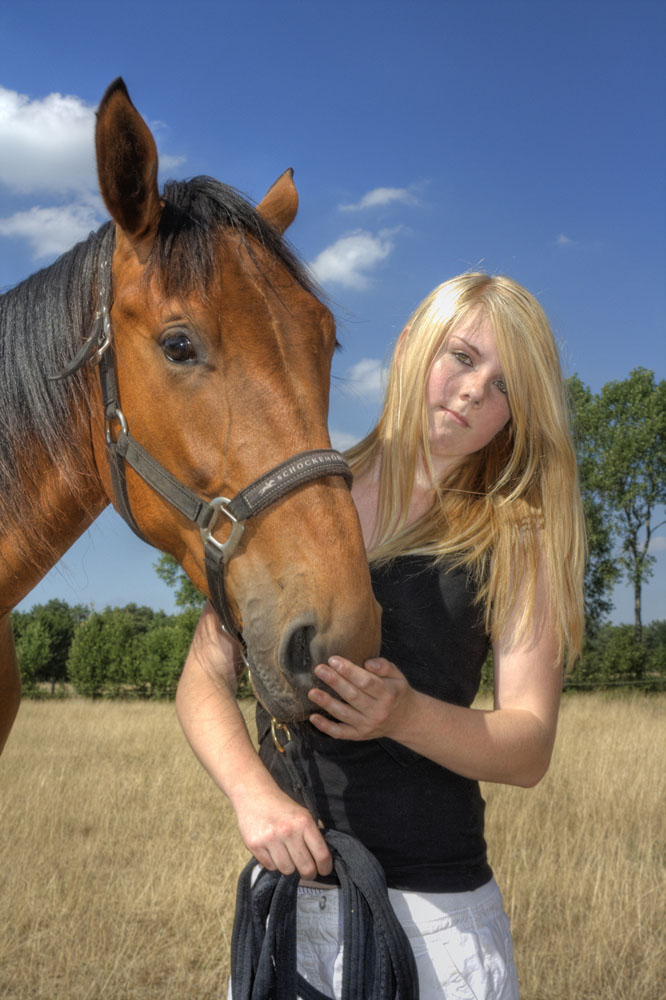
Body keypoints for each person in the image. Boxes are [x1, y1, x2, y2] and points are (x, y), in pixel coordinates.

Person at [176, 272, 586, 999]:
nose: (472, 393)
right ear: (407, 347)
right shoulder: (300, 498)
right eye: (461, 358)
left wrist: (405, 716)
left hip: (437, 925)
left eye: (504, 388)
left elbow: (529, 747)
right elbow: (203, 677)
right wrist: (254, 798)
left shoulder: (517, 537)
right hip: (286, 912)